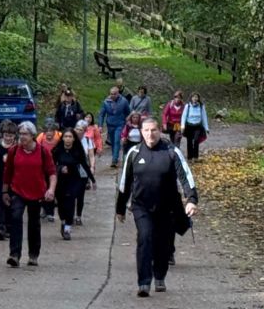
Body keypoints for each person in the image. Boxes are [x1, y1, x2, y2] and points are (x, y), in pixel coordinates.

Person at [116, 115, 199, 297]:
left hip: (167, 207)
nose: (150, 134)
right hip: (141, 206)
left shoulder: (171, 152)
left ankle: (159, 275)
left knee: (163, 243)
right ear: (141, 132)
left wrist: (191, 199)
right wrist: (120, 208)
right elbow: (125, 182)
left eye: (153, 130)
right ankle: (144, 282)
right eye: (146, 130)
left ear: (159, 131)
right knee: (145, 238)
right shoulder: (134, 153)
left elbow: (185, 176)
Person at [3, 121, 55, 267]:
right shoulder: (14, 151)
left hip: (37, 192)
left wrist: (51, 189)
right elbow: (8, 173)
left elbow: (52, 173)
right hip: (17, 191)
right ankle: (14, 254)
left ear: (33, 135)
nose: (22, 137)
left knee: (34, 224)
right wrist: (5, 191)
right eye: (20, 134)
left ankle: (33, 255)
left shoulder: (43, 152)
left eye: (25, 134)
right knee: (15, 218)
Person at [52, 126, 96, 239]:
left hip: (74, 179)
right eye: (65, 136)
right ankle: (63, 221)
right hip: (60, 180)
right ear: (62, 138)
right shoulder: (57, 151)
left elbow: (85, 165)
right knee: (61, 205)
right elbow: (50, 166)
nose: (67, 139)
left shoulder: (78, 150)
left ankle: (67, 228)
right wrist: (60, 168)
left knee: (70, 203)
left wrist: (92, 179)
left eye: (70, 137)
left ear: (73, 139)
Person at [99, 85, 130, 166]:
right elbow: (102, 114)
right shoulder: (106, 102)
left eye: (114, 94)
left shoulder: (124, 101)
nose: (112, 95)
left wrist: (127, 122)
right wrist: (100, 125)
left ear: (118, 93)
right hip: (110, 124)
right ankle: (114, 156)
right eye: (111, 94)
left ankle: (114, 160)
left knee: (116, 141)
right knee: (112, 141)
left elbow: (128, 112)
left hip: (120, 124)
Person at [182, 92, 210, 159]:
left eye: (196, 97)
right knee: (189, 142)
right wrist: (182, 126)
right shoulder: (187, 106)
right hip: (189, 126)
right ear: (191, 98)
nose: (195, 98)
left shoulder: (201, 106)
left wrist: (206, 128)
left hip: (197, 126)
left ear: (198, 98)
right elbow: (184, 116)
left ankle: (195, 157)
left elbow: (204, 117)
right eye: (193, 97)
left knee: (196, 140)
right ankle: (190, 157)